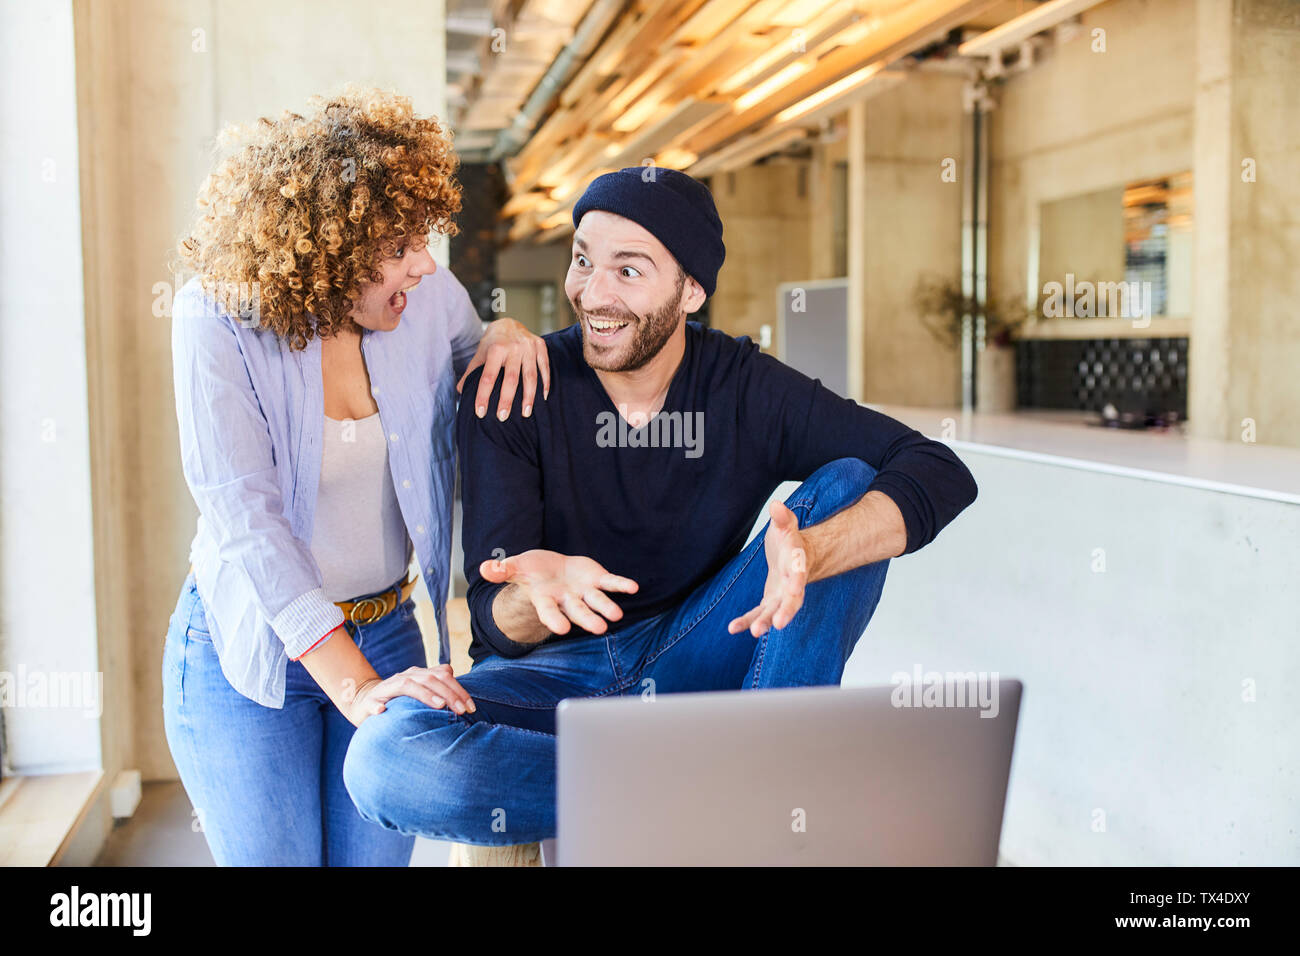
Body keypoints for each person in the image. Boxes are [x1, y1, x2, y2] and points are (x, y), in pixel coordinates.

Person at [342, 166, 978, 846]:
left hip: (695, 655)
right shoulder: (516, 386)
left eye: (628, 270)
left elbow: (937, 469)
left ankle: (761, 759)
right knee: (385, 756)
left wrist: (811, 553)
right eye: (583, 261)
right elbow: (494, 626)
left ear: (691, 290)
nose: (594, 293)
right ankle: (740, 788)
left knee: (850, 485)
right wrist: (535, 595)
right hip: (550, 684)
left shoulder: (743, 386)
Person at [163, 87, 538, 866]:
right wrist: (354, 687)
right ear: (328, 250)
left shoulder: (429, 301)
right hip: (249, 647)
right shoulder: (218, 315)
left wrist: (506, 329)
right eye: (400, 246)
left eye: (422, 240)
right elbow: (245, 516)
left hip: (389, 627)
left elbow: (485, 362)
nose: (424, 264)